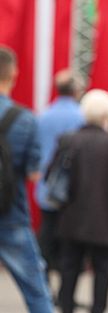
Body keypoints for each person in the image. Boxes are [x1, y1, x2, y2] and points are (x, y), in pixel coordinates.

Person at [55, 89, 108, 313]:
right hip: (107, 220)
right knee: (103, 272)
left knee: (68, 270)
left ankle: (65, 308)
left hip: (72, 218)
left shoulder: (69, 140)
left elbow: (56, 177)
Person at [0, 47, 54, 312]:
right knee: (37, 294)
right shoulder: (24, 118)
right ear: (13, 74)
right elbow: (34, 173)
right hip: (12, 214)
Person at [36, 69, 85, 282]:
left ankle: (44, 287)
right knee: (69, 245)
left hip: (47, 188)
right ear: (76, 90)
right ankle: (66, 293)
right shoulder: (82, 117)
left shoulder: (44, 115)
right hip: (74, 192)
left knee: (45, 240)